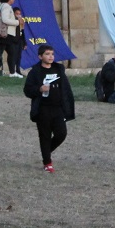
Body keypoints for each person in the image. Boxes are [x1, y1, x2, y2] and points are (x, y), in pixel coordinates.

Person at [25, 44, 74, 172]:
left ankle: (46, 150)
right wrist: (39, 89)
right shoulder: (35, 72)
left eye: (52, 54)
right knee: (44, 135)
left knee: (61, 134)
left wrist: (67, 106)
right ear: (40, 56)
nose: (51, 56)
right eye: (47, 54)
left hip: (57, 108)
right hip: (43, 109)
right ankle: (47, 162)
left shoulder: (59, 69)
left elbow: (66, 89)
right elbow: (27, 90)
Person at [0, 0, 25, 77]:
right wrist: (17, 22)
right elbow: (5, 20)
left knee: (11, 52)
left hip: (1, 35)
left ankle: (12, 72)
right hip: (3, 35)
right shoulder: (6, 6)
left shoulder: (1, 6)